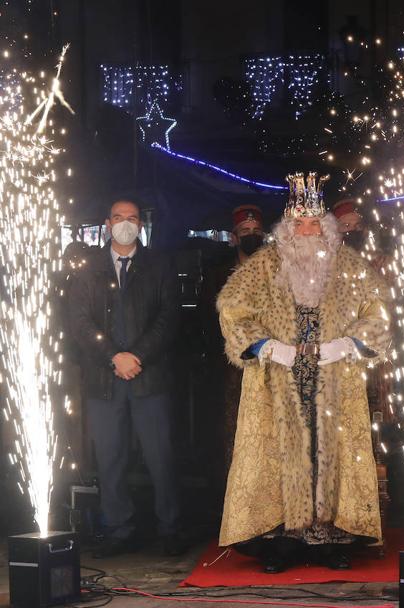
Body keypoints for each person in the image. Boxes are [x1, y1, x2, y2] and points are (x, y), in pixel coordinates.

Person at [216, 173, 391, 573]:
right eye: (300, 224)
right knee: (281, 454)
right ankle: (283, 541)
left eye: (315, 224)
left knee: (330, 452)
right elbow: (232, 308)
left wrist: (348, 344)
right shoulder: (263, 265)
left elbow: (378, 312)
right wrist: (266, 345)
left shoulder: (350, 265)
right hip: (278, 376)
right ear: (287, 228)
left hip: (334, 374)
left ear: (326, 227)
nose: (308, 231)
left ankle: (330, 538)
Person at [68, 198, 182, 557]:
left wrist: (138, 356)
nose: (125, 224)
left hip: (150, 377)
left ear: (141, 225)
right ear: (107, 224)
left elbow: (169, 317)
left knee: (161, 456)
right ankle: (119, 528)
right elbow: (78, 321)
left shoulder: (159, 265)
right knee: (110, 457)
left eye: (132, 218)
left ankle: (170, 528)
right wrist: (112, 356)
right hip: (104, 379)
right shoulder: (88, 268)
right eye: (118, 218)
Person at [199, 204, 266, 478]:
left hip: (270, 365)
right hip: (230, 370)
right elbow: (206, 321)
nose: (251, 235)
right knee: (233, 430)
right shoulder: (219, 275)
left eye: (256, 230)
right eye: (245, 231)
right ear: (234, 238)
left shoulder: (276, 271)